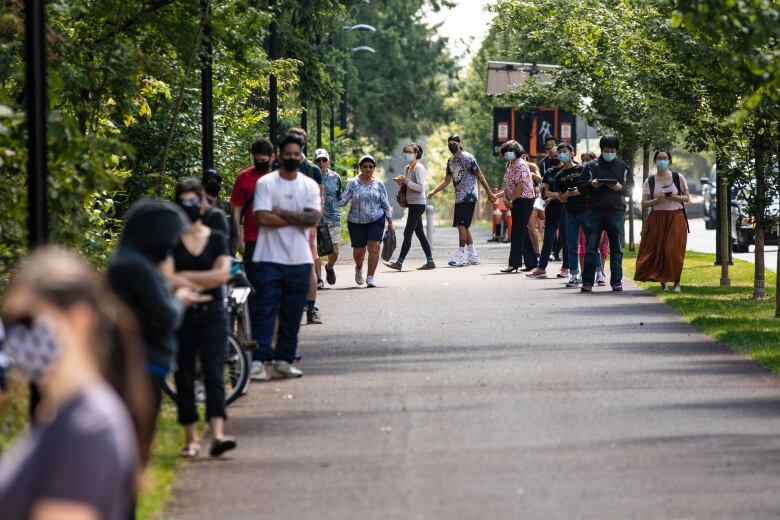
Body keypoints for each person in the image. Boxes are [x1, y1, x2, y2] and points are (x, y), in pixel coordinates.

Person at [0, 247, 151, 520]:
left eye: (27, 320)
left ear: (80, 320)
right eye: (10, 322)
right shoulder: (65, 413)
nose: (16, 335)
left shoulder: (87, 427)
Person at [106, 199, 199, 422]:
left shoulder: (132, 262)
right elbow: (167, 316)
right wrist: (180, 298)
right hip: (143, 362)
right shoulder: (136, 267)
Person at [172, 179, 236, 458]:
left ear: (202, 203)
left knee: (213, 372)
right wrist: (204, 279)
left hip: (212, 313)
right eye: (182, 201)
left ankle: (218, 434)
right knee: (184, 374)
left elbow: (222, 274)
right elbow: (164, 276)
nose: (189, 206)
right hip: (182, 314)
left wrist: (183, 278)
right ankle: (190, 438)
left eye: (193, 201)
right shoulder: (171, 241)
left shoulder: (216, 237)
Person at [250, 132, 321, 379]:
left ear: (301, 156)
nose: (292, 157)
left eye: (296, 154)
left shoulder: (309, 185)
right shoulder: (266, 183)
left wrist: (280, 213)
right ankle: (258, 361)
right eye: (287, 154)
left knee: (292, 314)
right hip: (268, 258)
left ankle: (283, 360)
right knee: (265, 312)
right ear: (279, 155)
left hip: (299, 260)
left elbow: (313, 218)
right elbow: (262, 217)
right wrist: (296, 217)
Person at [427, 135, 496, 267]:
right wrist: (434, 191)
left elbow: (479, 175)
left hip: (469, 196)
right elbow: (447, 181)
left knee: (461, 226)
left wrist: (489, 192)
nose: (451, 145)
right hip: (459, 196)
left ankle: (461, 255)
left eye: (453, 143)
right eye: (449, 143)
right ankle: (473, 256)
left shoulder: (468, 158)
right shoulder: (450, 160)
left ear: (459, 143)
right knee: (464, 227)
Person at [577, 135, 634, 292]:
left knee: (616, 248)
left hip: (615, 211)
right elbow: (580, 188)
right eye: (607, 150)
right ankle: (587, 281)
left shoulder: (623, 166)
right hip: (593, 212)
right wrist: (592, 184)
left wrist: (619, 188)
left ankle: (616, 281)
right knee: (590, 247)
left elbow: (630, 189)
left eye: (613, 150)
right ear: (601, 149)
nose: (610, 152)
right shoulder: (590, 166)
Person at [634, 149, 690, 292]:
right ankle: (663, 281)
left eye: (665, 158)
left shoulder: (678, 177)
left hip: (676, 217)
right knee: (659, 250)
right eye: (659, 158)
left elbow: (686, 198)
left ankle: (677, 283)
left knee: (673, 250)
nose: (662, 160)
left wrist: (675, 197)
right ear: (655, 161)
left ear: (670, 161)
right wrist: (657, 200)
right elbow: (644, 203)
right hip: (657, 218)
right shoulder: (650, 181)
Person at [340, 155, 394, 287]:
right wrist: (327, 201)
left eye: (371, 167)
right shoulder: (353, 183)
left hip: (376, 219)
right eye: (365, 166)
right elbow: (343, 200)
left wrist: (390, 222)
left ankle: (370, 277)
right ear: (360, 168)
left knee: (374, 247)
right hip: (355, 221)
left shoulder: (379, 184)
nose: (368, 169)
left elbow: (385, 203)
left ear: (374, 168)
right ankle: (359, 268)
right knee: (359, 251)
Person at [288, 127, 323, 323]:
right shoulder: (278, 167)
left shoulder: (312, 169)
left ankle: (310, 307)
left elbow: (319, 196)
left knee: (308, 264)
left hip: (307, 225)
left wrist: (315, 223)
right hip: (282, 224)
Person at [526, 143, 574, 278]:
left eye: (556, 155)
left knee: (565, 239)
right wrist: (554, 196)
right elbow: (545, 191)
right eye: (551, 156)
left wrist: (555, 196)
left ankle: (566, 267)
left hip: (565, 208)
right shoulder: (549, 172)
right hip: (551, 209)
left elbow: (568, 193)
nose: (554, 158)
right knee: (548, 238)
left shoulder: (569, 171)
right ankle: (541, 268)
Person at [386, 143, 435, 270]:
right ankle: (430, 261)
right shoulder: (407, 168)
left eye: (410, 152)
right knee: (420, 234)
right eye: (405, 152)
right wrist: (401, 183)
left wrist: (406, 181)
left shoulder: (419, 168)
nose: (407, 154)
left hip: (418, 204)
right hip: (412, 204)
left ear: (416, 154)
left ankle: (399, 262)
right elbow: (409, 186)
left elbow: (420, 188)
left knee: (407, 233)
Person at [498, 140, 538, 272]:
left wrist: (511, 199)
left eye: (510, 151)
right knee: (522, 230)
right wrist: (504, 197)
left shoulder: (521, 164)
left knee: (516, 230)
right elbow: (508, 184)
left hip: (524, 199)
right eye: (506, 152)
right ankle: (532, 262)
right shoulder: (510, 165)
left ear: (517, 152)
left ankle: (514, 263)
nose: (508, 154)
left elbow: (520, 187)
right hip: (514, 200)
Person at [314, 148, 343, 285]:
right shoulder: (310, 176)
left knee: (335, 252)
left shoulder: (336, 178)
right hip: (315, 218)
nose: (321, 162)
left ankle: (329, 267)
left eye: (324, 160)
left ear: (328, 161)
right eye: (318, 160)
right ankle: (319, 278)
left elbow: (339, 196)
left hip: (333, 217)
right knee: (316, 251)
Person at [202, 168, 238, 255]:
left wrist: (230, 253)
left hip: (225, 255)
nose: (215, 184)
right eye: (211, 181)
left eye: (217, 182)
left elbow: (234, 234)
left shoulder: (228, 208)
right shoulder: (198, 207)